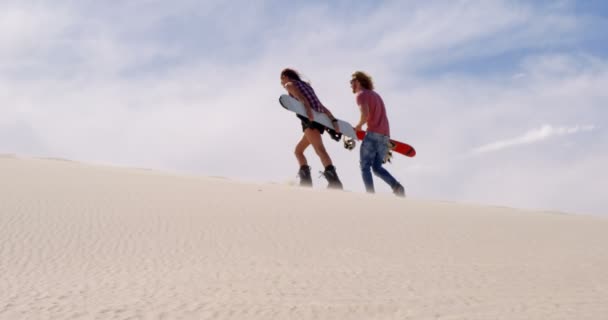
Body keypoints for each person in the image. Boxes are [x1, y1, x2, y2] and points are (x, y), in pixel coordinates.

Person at [280, 68, 343, 189]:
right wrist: (333, 120)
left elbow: (301, 98)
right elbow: (320, 105)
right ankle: (306, 181)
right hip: (318, 119)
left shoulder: (290, 84)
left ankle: (334, 183)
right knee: (298, 151)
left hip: (309, 119)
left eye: (281, 79)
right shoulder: (306, 85)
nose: (282, 83)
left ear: (286, 77)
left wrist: (308, 112)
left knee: (320, 150)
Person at [350, 71, 405, 197]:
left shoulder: (361, 95)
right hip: (385, 136)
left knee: (365, 167)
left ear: (358, 82)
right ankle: (397, 187)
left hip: (373, 135)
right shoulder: (376, 95)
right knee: (377, 168)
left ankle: (370, 195)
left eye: (351, 82)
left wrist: (358, 126)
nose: (350, 85)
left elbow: (365, 114)